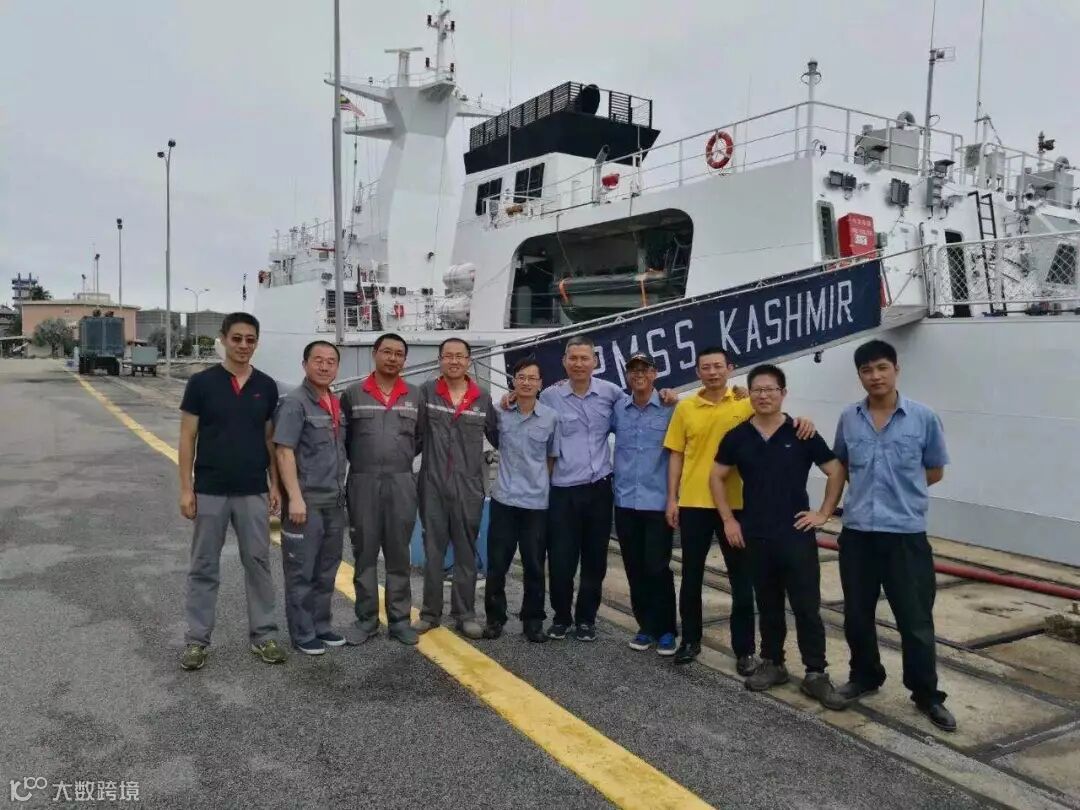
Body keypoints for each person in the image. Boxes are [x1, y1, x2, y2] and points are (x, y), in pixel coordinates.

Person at [664, 347, 816, 668]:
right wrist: (671, 498)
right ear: (697, 372)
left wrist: (803, 421)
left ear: (730, 369)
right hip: (693, 502)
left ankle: (744, 649)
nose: (713, 372)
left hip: (736, 506)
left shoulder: (746, 403)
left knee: (742, 580)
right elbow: (676, 453)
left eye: (718, 366)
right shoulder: (685, 407)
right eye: (706, 367)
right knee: (691, 576)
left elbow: (776, 418)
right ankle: (690, 640)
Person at [832, 339, 955, 732]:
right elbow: (842, 465)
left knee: (915, 620)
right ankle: (865, 676)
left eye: (882, 367)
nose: (875, 376)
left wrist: (901, 494)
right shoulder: (849, 418)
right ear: (859, 376)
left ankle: (926, 694)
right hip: (858, 534)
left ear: (896, 369)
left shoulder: (923, 418)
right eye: (867, 370)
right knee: (857, 614)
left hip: (905, 535)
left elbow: (934, 470)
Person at [710, 364, 847, 708]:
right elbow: (716, 476)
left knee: (806, 606)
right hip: (755, 534)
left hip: (796, 534)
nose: (764, 395)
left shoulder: (801, 433)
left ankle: (816, 673)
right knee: (768, 603)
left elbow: (835, 470)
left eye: (771, 389)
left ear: (783, 393)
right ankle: (773, 663)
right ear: (750, 394)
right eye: (757, 389)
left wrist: (824, 513)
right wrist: (728, 520)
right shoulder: (738, 436)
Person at [177, 312, 287, 671]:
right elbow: (187, 438)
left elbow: (270, 439)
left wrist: (275, 484)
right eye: (237, 338)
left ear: (256, 343)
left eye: (250, 340)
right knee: (204, 566)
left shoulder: (266, 386)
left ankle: (264, 635)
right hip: (210, 489)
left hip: (253, 489)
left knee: (258, 563)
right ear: (223, 339)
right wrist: (186, 489)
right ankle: (197, 640)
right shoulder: (201, 383)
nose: (243, 345)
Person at [339, 333, 423, 646]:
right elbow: (344, 439)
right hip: (362, 481)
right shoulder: (353, 394)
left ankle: (399, 621)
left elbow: (420, 438)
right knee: (364, 554)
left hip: (401, 482)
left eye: (398, 354)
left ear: (405, 360)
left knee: (399, 555)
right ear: (375, 353)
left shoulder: (415, 395)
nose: (392, 358)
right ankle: (366, 620)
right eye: (386, 352)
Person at [413, 338, 499, 640]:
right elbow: (413, 437)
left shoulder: (483, 397)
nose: (454, 361)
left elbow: (499, 436)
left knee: (465, 553)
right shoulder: (426, 393)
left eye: (459, 356)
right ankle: (430, 613)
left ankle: (465, 615)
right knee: (433, 552)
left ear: (468, 361)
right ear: (440, 360)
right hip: (432, 484)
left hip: (469, 487)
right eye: (448, 356)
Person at [272, 341, 348, 655]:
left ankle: (321, 625)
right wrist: (294, 497)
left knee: (326, 569)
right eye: (318, 360)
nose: (325, 366)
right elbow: (284, 451)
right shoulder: (294, 403)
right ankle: (303, 633)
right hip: (306, 503)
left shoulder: (335, 402)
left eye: (331, 361)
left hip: (334, 500)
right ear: (305, 365)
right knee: (301, 571)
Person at [482, 356, 559, 643]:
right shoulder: (501, 413)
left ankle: (533, 621)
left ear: (540, 384)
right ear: (513, 381)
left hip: (536, 504)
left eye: (532, 378)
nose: (526, 382)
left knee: (535, 565)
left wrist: (540, 485)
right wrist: (503, 400)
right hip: (504, 500)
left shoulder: (550, 417)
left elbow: (551, 457)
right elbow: (490, 432)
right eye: (521, 377)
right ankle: (495, 619)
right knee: (497, 564)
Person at [611, 353, 678, 656]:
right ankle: (646, 626)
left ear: (655, 374)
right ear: (627, 375)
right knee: (634, 566)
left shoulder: (670, 407)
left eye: (645, 369)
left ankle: (666, 629)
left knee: (658, 567)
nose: (639, 374)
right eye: (633, 370)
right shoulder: (618, 409)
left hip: (657, 501)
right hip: (625, 501)